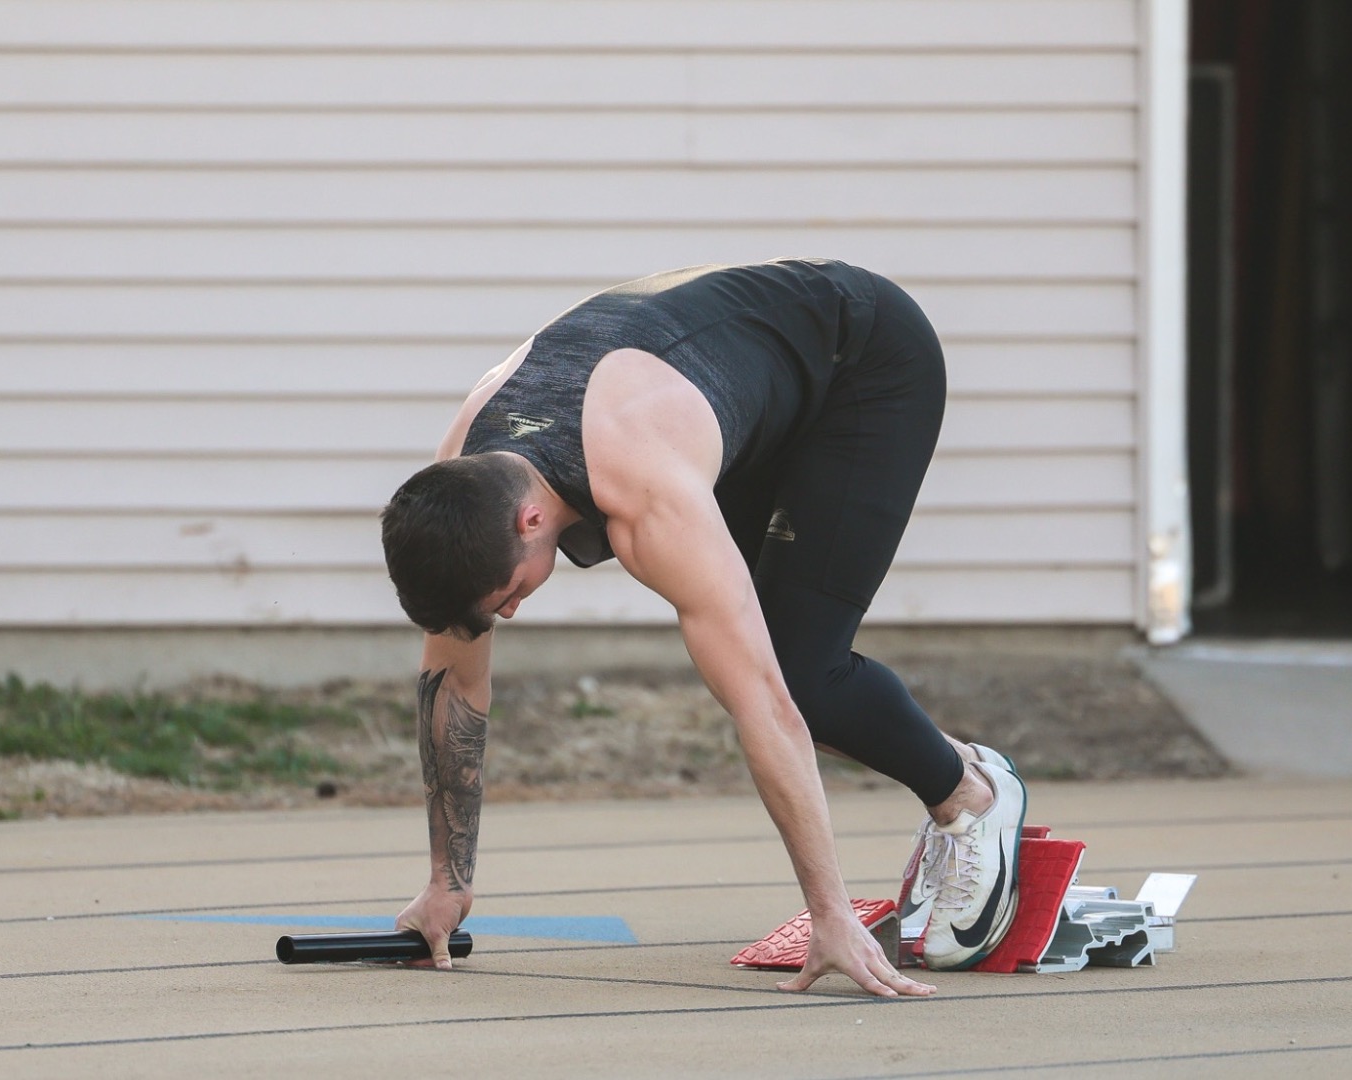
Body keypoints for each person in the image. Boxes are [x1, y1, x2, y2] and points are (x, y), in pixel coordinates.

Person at [379, 259, 1029, 996]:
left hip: (863, 358)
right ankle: (951, 762)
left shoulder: (642, 487)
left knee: (795, 672)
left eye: (507, 597)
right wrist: (445, 882)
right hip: (738, 387)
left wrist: (831, 915)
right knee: (771, 663)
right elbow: (454, 685)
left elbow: (765, 702)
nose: (510, 613)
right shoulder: (462, 479)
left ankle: (972, 799)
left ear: (531, 522)